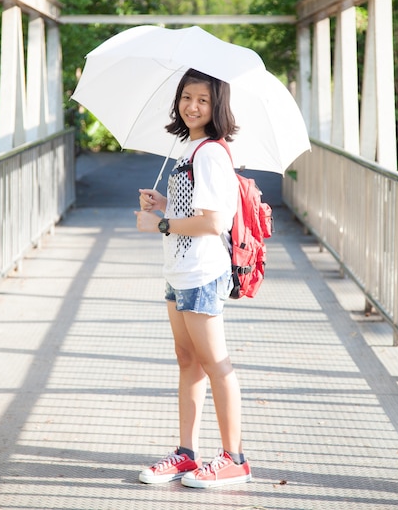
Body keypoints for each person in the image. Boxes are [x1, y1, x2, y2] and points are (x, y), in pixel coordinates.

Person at [134, 68, 252, 489]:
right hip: (179, 271)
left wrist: (161, 226)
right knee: (188, 363)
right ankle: (186, 455)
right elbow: (194, 209)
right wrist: (164, 204)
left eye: (202, 99)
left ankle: (234, 458)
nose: (192, 106)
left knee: (216, 365)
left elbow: (216, 221)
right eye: (186, 97)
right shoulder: (188, 147)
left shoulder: (211, 153)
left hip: (202, 273)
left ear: (216, 105)